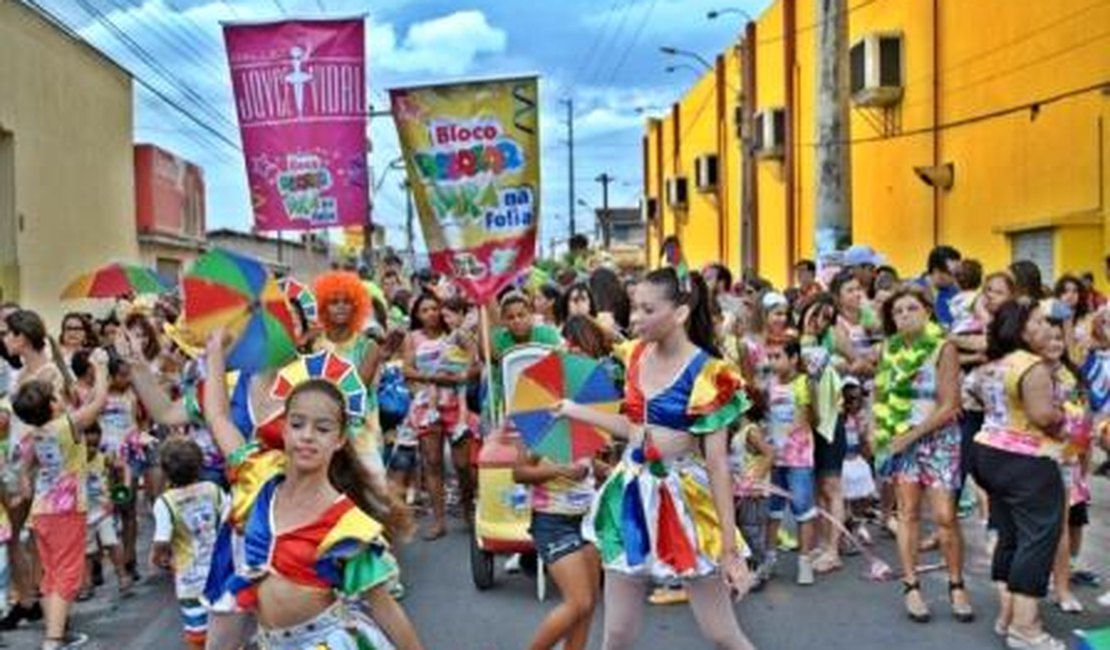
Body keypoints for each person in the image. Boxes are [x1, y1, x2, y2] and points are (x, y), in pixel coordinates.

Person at [555, 268, 756, 650]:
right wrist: (572, 410)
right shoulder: (634, 356)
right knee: (616, 634)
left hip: (684, 502)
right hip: (629, 494)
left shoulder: (712, 375)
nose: (635, 318)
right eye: (634, 308)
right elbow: (631, 431)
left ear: (679, 314)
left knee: (722, 633)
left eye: (648, 309)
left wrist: (730, 550)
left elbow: (717, 466)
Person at [202, 332, 424, 650]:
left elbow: (385, 608)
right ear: (283, 429)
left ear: (340, 439)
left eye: (322, 428)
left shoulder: (345, 524)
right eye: (297, 424)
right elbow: (218, 417)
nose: (307, 436)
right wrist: (215, 355)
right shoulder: (257, 478)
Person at [970, 300, 1066, 649]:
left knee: (1009, 535)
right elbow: (1042, 417)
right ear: (1022, 329)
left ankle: (1008, 616)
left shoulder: (993, 364)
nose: (1047, 327)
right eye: (1039, 322)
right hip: (1026, 460)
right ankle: (1026, 628)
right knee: (1039, 537)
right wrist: (1063, 416)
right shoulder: (1033, 366)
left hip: (987, 454)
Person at [873, 287, 973, 624]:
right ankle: (911, 585)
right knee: (908, 512)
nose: (904, 315)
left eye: (911, 308)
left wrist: (910, 437)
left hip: (939, 439)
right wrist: (880, 433)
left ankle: (956, 584)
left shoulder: (943, 348)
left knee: (945, 515)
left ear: (928, 312)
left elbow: (950, 405)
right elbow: (880, 393)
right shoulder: (889, 348)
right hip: (902, 438)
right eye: (897, 311)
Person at [13, 347, 110, 650]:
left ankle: (56, 632)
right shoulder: (66, 425)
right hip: (67, 510)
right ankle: (53, 639)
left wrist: (26, 484)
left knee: (51, 572)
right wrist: (101, 367)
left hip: (42, 510)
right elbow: (99, 403)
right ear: (53, 404)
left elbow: (26, 467)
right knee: (68, 571)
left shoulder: (35, 433)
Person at [1, 309, 72, 631]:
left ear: (22, 337)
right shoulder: (20, 374)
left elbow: (53, 420)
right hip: (15, 458)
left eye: (7, 334)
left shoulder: (49, 373)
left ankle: (45, 599)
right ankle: (28, 598)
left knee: (36, 535)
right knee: (15, 535)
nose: (4, 340)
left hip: (39, 462)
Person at [402, 293, 470, 541]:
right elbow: (406, 370)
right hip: (427, 404)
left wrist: (462, 376)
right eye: (425, 310)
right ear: (417, 315)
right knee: (432, 462)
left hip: (455, 402)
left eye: (434, 308)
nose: (431, 314)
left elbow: (474, 363)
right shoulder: (412, 338)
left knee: (463, 464)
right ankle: (439, 520)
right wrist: (432, 378)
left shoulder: (456, 333)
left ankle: (467, 509)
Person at [151, 437, 226, 650]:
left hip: (189, 579)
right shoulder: (214, 490)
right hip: (219, 572)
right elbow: (229, 521)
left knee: (197, 634)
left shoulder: (165, 502)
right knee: (225, 627)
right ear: (200, 465)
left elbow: (162, 540)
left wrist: (157, 557)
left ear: (165, 471)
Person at [762, 338, 819, 585]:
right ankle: (769, 558)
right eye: (770, 357)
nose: (772, 362)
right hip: (774, 459)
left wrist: (781, 441)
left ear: (794, 358)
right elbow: (767, 416)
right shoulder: (769, 384)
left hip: (798, 458)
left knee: (803, 510)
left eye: (778, 357)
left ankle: (805, 561)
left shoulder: (803, 383)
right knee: (773, 510)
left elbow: (802, 420)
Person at [80, 422, 130, 602]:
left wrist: (123, 485)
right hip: (84, 513)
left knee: (111, 543)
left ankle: (122, 575)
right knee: (86, 552)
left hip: (103, 510)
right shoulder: (74, 461)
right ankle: (86, 583)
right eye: (88, 445)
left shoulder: (103, 458)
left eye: (95, 444)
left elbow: (123, 466)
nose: (92, 449)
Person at [918, 245, 962, 330]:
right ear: (936, 271)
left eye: (958, 273)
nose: (956, 279)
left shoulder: (956, 291)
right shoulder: (914, 291)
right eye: (952, 274)